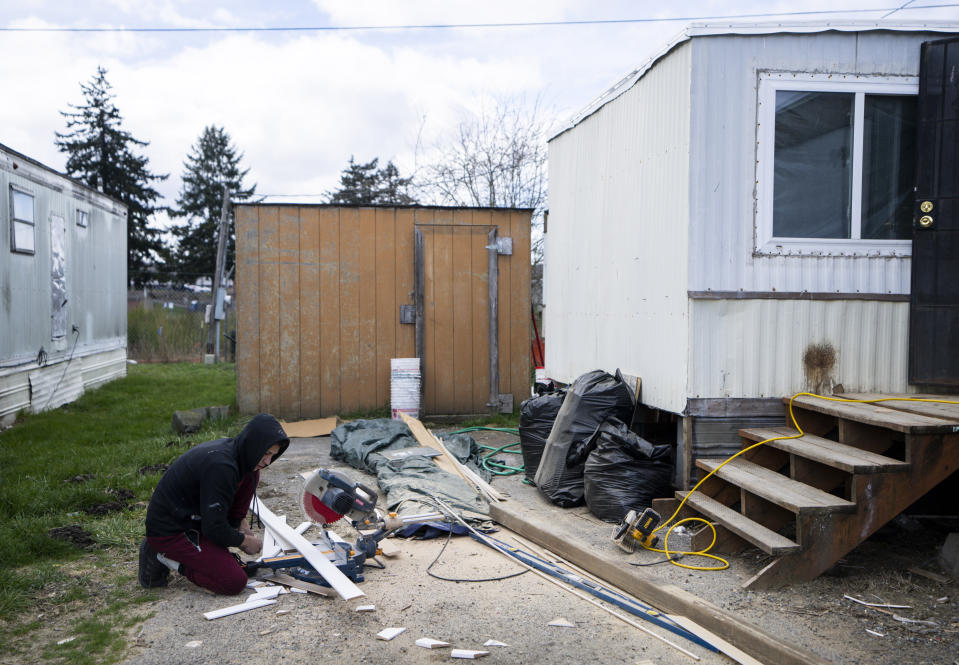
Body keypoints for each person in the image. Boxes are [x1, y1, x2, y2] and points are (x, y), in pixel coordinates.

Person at [138, 413, 289, 595]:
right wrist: (243, 541)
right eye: (265, 453)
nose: (268, 462)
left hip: (196, 519)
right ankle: (161, 555)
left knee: (252, 474)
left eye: (272, 455)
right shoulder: (221, 466)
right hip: (170, 529)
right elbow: (214, 528)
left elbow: (224, 516)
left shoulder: (245, 460)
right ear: (253, 444)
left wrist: (241, 526)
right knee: (233, 581)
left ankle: (206, 552)